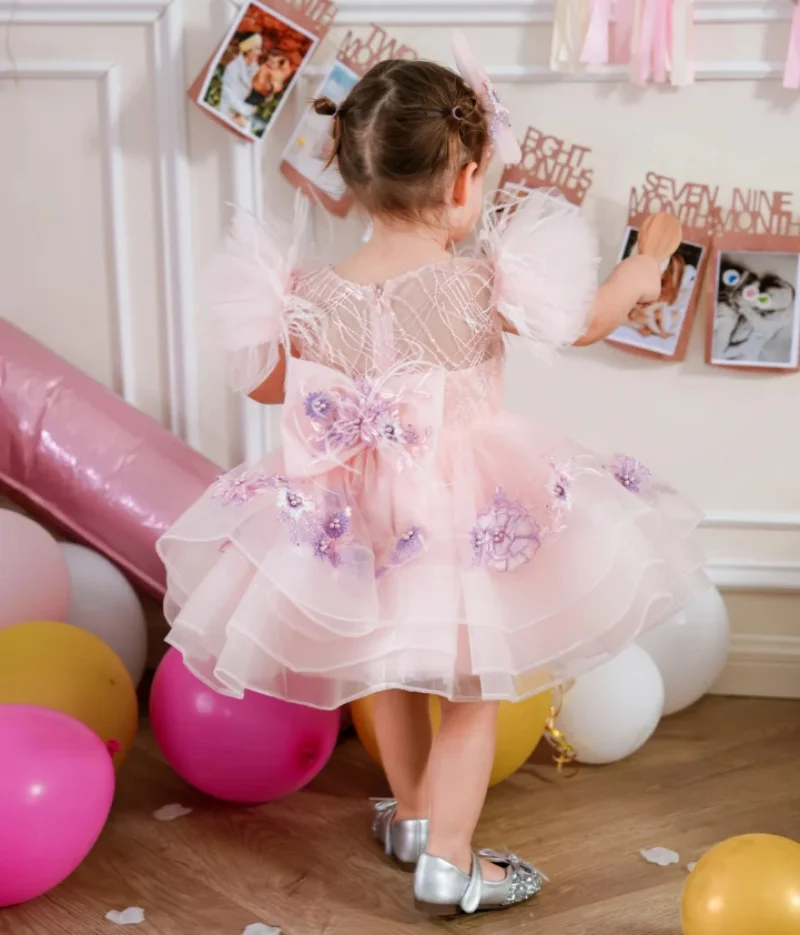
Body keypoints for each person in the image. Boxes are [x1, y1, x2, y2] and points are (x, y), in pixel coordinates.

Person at [158, 35, 708, 918]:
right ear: (463, 182)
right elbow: (584, 320)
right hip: (465, 511)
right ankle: (450, 861)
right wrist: (641, 273)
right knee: (475, 687)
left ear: (352, 176)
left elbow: (267, 381)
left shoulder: (310, 294)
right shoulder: (478, 285)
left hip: (359, 513)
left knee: (392, 667)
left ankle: (415, 816)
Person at [219, 32, 262, 129]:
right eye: (257, 49)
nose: (260, 52)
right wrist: (246, 110)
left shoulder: (255, 68)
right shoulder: (233, 67)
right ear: (247, 49)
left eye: (260, 49)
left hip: (244, 119)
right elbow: (228, 95)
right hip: (228, 115)